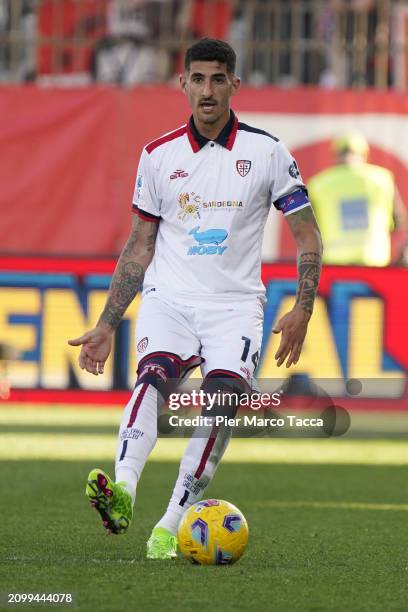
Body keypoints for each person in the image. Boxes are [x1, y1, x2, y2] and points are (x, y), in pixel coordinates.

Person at [68, 38, 323, 560]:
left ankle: (171, 522)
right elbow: (139, 246)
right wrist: (107, 322)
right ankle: (122, 491)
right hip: (171, 298)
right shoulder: (158, 156)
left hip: (236, 307)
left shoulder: (267, 152)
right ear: (183, 83)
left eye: (217, 79)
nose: (207, 90)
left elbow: (308, 237)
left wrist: (303, 306)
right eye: (198, 79)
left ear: (233, 84)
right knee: (152, 379)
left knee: (223, 401)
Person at [308, 132, 407, 266]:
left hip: (334, 261)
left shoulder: (317, 184)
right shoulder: (383, 179)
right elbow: (398, 221)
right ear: (365, 155)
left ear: (336, 155)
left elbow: (308, 227)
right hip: (374, 259)